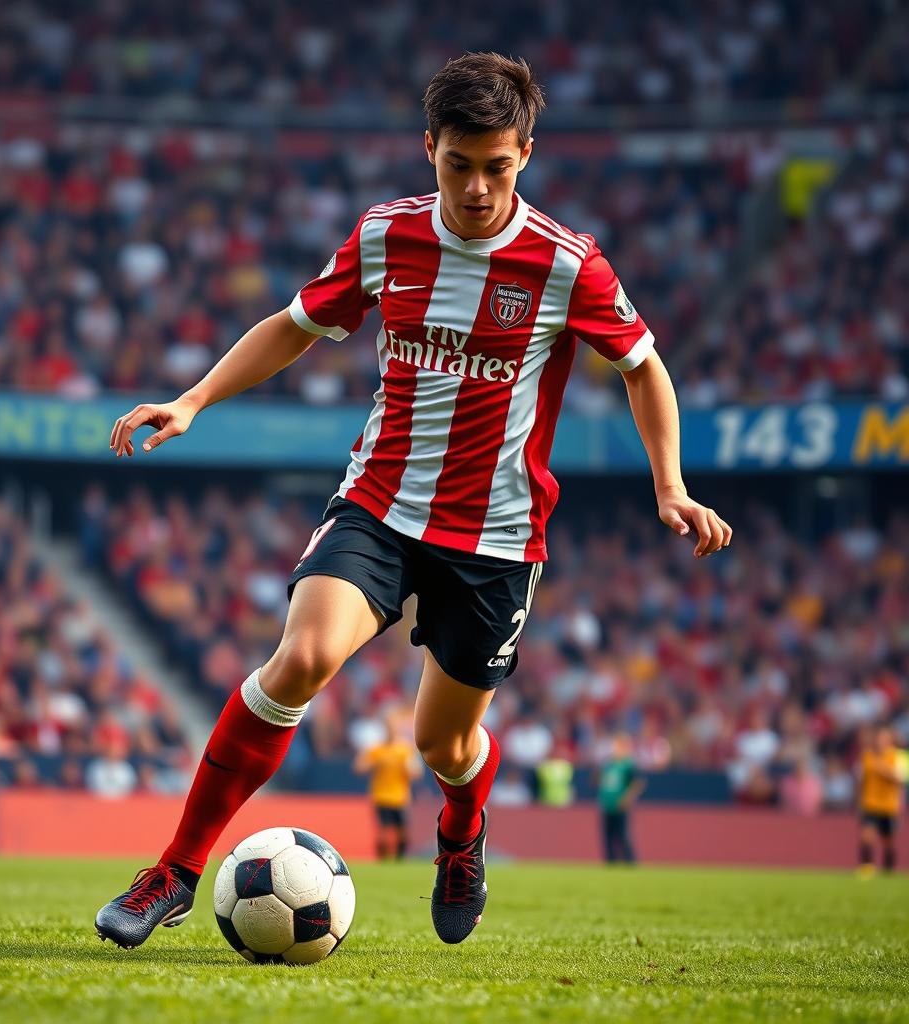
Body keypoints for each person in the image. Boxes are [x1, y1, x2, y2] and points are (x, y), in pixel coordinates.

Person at [95, 52, 731, 949]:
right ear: (428, 147)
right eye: (457, 164)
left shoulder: (566, 263)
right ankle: (176, 869)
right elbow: (295, 324)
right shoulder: (386, 236)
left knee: (445, 746)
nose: (476, 188)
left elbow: (643, 368)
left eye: (496, 167)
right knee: (300, 661)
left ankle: (461, 830)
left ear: (526, 155)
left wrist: (669, 483)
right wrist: (195, 398)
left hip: (498, 537)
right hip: (381, 505)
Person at [353, 709, 422, 860]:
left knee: (403, 831)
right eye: (389, 725)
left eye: (394, 725)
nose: (391, 728)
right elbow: (359, 767)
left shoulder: (405, 750)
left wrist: (408, 768)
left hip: (400, 797)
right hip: (381, 796)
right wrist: (373, 763)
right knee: (383, 831)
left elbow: (416, 772)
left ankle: (400, 859)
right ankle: (382, 859)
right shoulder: (377, 749)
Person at [857, 726, 902, 877]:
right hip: (870, 804)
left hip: (888, 806)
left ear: (890, 741)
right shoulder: (867, 756)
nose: (880, 742)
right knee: (867, 836)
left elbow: (900, 779)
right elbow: (861, 780)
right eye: (879, 738)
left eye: (884, 738)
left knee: (888, 841)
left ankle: (889, 870)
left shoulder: (898, 757)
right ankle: (867, 868)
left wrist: (882, 768)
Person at [597, 733, 646, 864]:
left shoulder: (628, 765)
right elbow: (601, 781)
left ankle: (630, 861)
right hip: (608, 805)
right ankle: (611, 861)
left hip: (621, 805)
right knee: (608, 836)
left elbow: (638, 783)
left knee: (622, 835)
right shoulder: (609, 764)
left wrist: (628, 798)